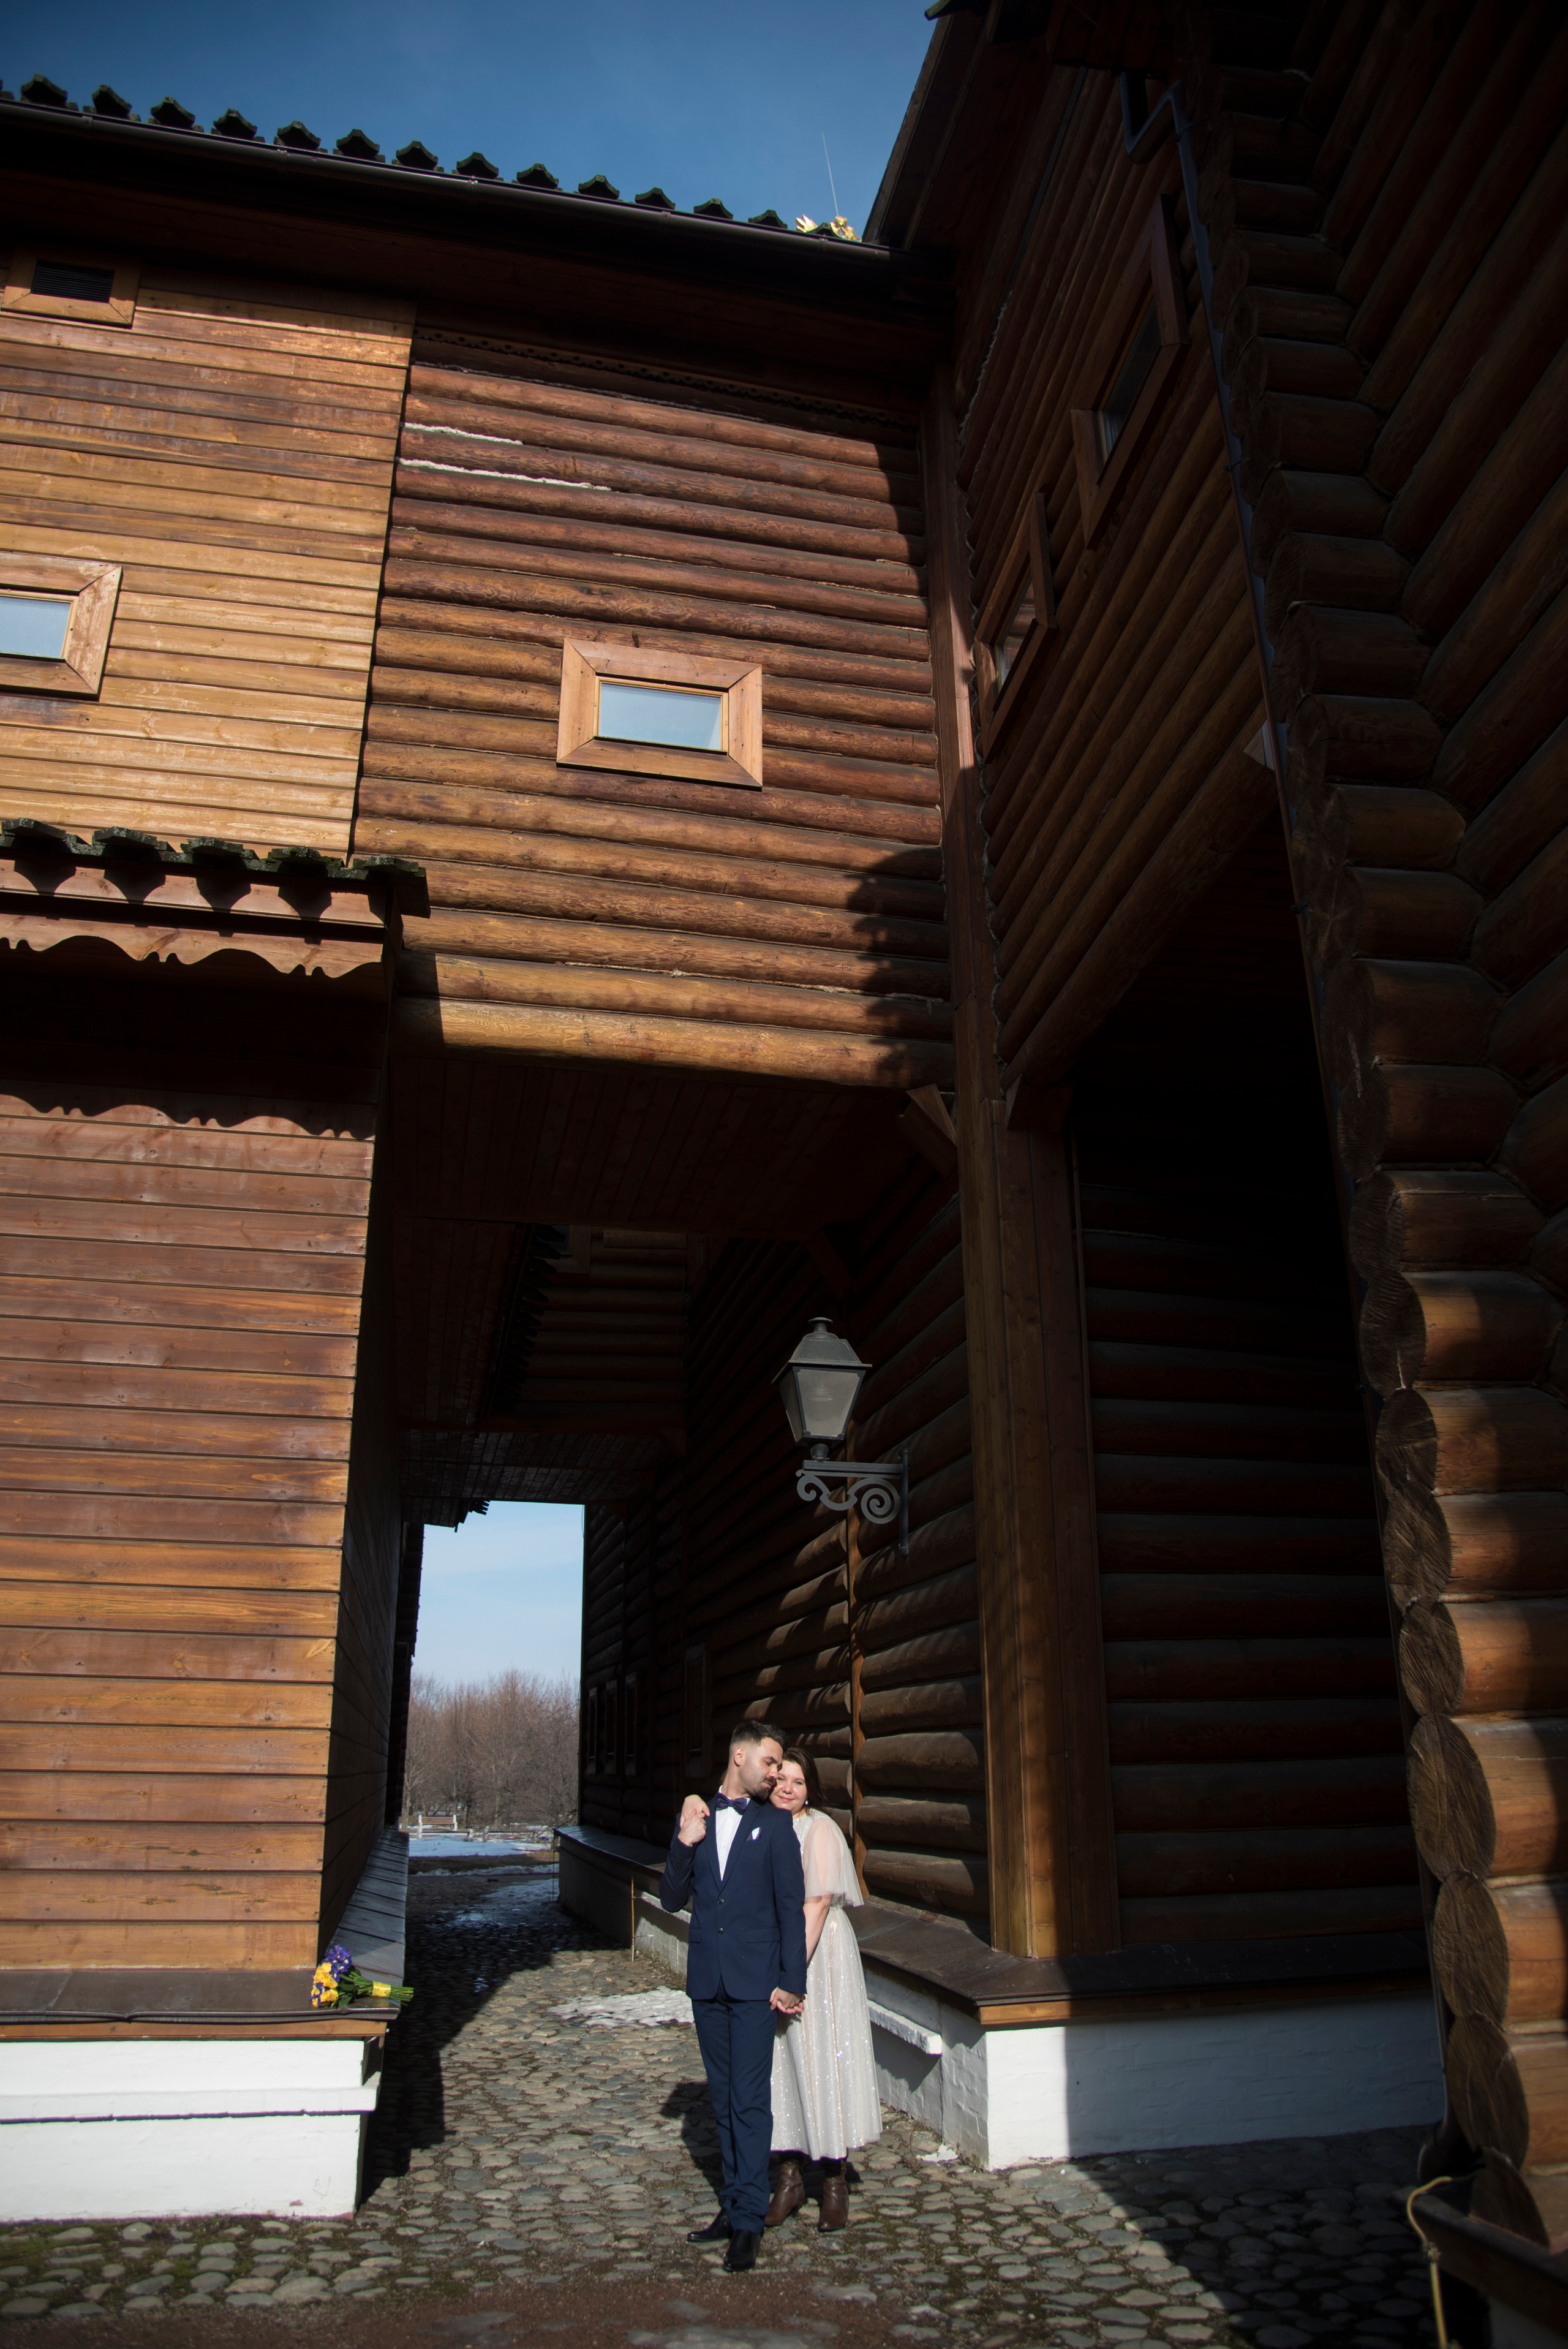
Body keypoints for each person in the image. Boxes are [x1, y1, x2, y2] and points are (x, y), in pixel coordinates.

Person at [682, 1748, 881, 2233]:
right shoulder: (768, 1825)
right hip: (776, 1961)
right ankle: (789, 2179)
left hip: (817, 1958)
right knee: (782, 2066)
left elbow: (814, 1908)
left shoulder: (820, 1830)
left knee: (821, 2058)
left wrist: (790, 1978)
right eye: (781, 1779)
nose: (788, 1788)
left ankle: (833, 2181)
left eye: (798, 1780)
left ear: (811, 1787)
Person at [658, 1719, 806, 2274]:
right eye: (769, 1762)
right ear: (738, 1756)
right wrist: (682, 1841)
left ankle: (748, 2221)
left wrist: (793, 1980)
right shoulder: (699, 1816)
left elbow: (791, 1908)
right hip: (707, 1984)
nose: (776, 1773)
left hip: (755, 1987)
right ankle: (732, 2203)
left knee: (749, 2103)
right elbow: (671, 1898)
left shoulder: (774, 1826)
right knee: (721, 2102)